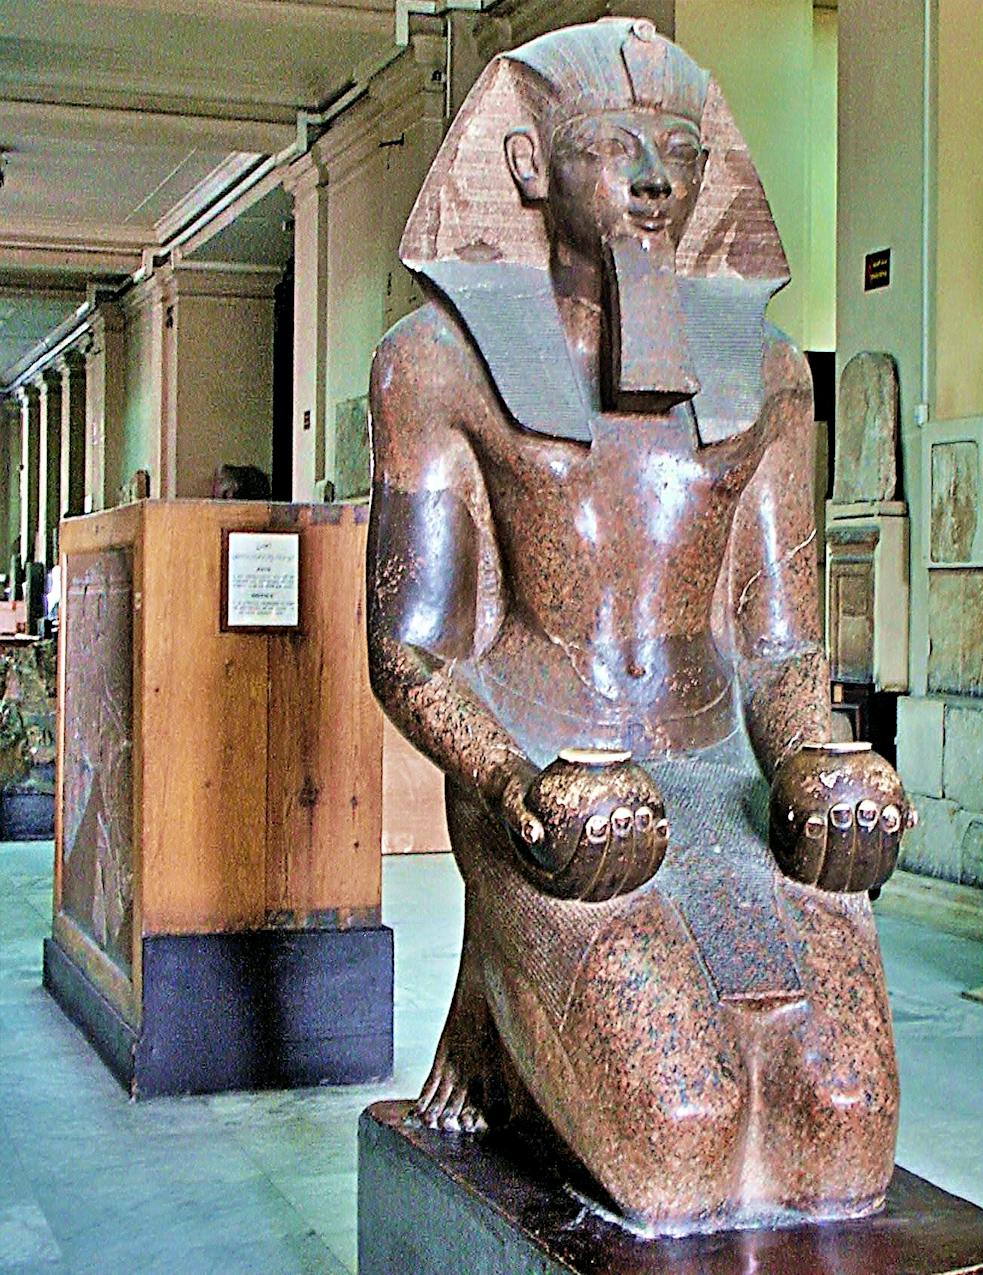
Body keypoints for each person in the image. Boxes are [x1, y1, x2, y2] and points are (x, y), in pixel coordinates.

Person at [367, 18, 913, 1233]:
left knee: (843, 1123)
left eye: (680, 150)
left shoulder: (772, 377)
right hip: (551, 775)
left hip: (719, 772)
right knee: (682, 1130)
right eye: (616, 145)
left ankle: (506, 1016)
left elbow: (777, 640)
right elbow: (412, 648)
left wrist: (815, 763)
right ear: (528, 166)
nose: (657, 179)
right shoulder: (438, 366)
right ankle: (501, 996)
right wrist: (516, 788)